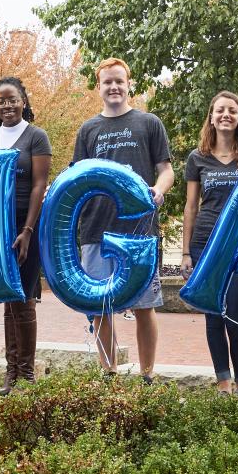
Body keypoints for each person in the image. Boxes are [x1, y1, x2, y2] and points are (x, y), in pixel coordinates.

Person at [73, 58, 173, 382]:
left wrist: (158, 190)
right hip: (95, 230)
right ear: (99, 87)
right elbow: (77, 177)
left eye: (119, 81)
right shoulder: (88, 129)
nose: (113, 87)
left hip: (139, 231)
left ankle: (147, 375)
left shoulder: (149, 123)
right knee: (101, 305)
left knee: (145, 305)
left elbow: (166, 170)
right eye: (107, 82)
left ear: (129, 84)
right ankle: (109, 372)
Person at [180, 91, 238, 396]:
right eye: (220, 110)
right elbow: (191, 206)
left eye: (232, 110)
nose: (226, 115)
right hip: (205, 243)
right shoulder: (197, 157)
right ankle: (223, 383)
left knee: (236, 317)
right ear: (212, 117)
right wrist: (186, 252)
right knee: (214, 315)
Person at [0, 77, 51, 395]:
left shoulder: (36, 137)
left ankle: (27, 372)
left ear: (23, 101)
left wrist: (27, 231)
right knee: (8, 300)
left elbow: (39, 185)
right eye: (1, 101)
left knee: (24, 298)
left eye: (13, 99)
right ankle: (11, 373)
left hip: (27, 224)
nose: (7, 105)